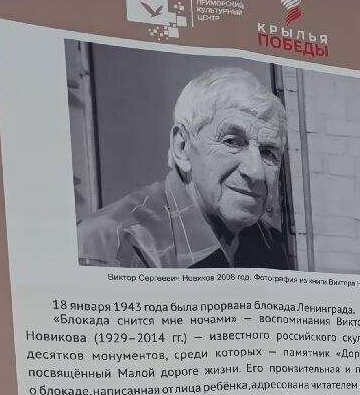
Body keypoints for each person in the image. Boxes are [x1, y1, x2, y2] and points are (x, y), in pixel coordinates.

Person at [77, 67, 292, 269]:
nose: (256, 171)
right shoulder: (110, 246)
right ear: (182, 147)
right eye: (232, 142)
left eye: (268, 152)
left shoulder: (272, 244)